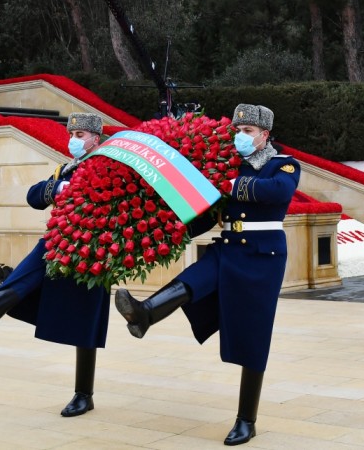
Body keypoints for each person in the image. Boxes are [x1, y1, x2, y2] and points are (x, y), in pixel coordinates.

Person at [114, 104, 300, 446]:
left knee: (253, 336)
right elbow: (208, 210)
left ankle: (247, 419)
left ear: (264, 135)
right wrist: (166, 231)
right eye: (237, 130)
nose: (240, 137)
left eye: (247, 131)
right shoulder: (230, 165)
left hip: (262, 254)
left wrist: (231, 183)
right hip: (228, 245)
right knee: (194, 278)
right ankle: (145, 314)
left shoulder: (282, 165)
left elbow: (279, 192)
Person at [0, 112, 110, 417]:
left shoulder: (107, 166)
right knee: (20, 280)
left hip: (89, 247)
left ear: (96, 138)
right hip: (55, 239)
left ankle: (84, 394)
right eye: (72, 135)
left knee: (86, 318)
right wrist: (56, 190)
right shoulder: (65, 168)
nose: (74, 140)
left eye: (81, 136)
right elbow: (34, 196)